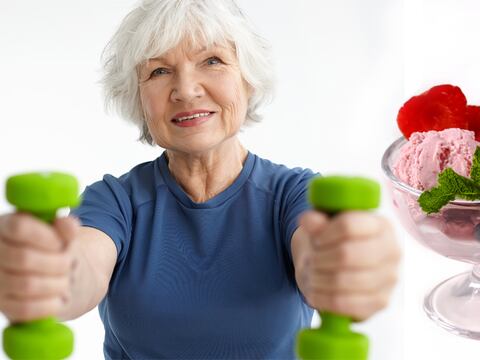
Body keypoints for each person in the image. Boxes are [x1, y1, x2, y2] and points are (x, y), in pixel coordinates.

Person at [0, 0, 401, 359]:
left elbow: (319, 266)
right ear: (138, 99)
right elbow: (78, 273)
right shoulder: (114, 201)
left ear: (247, 80)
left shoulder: (294, 195)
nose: (186, 90)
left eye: (212, 61)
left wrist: (348, 266)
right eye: (159, 70)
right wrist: (41, 270)